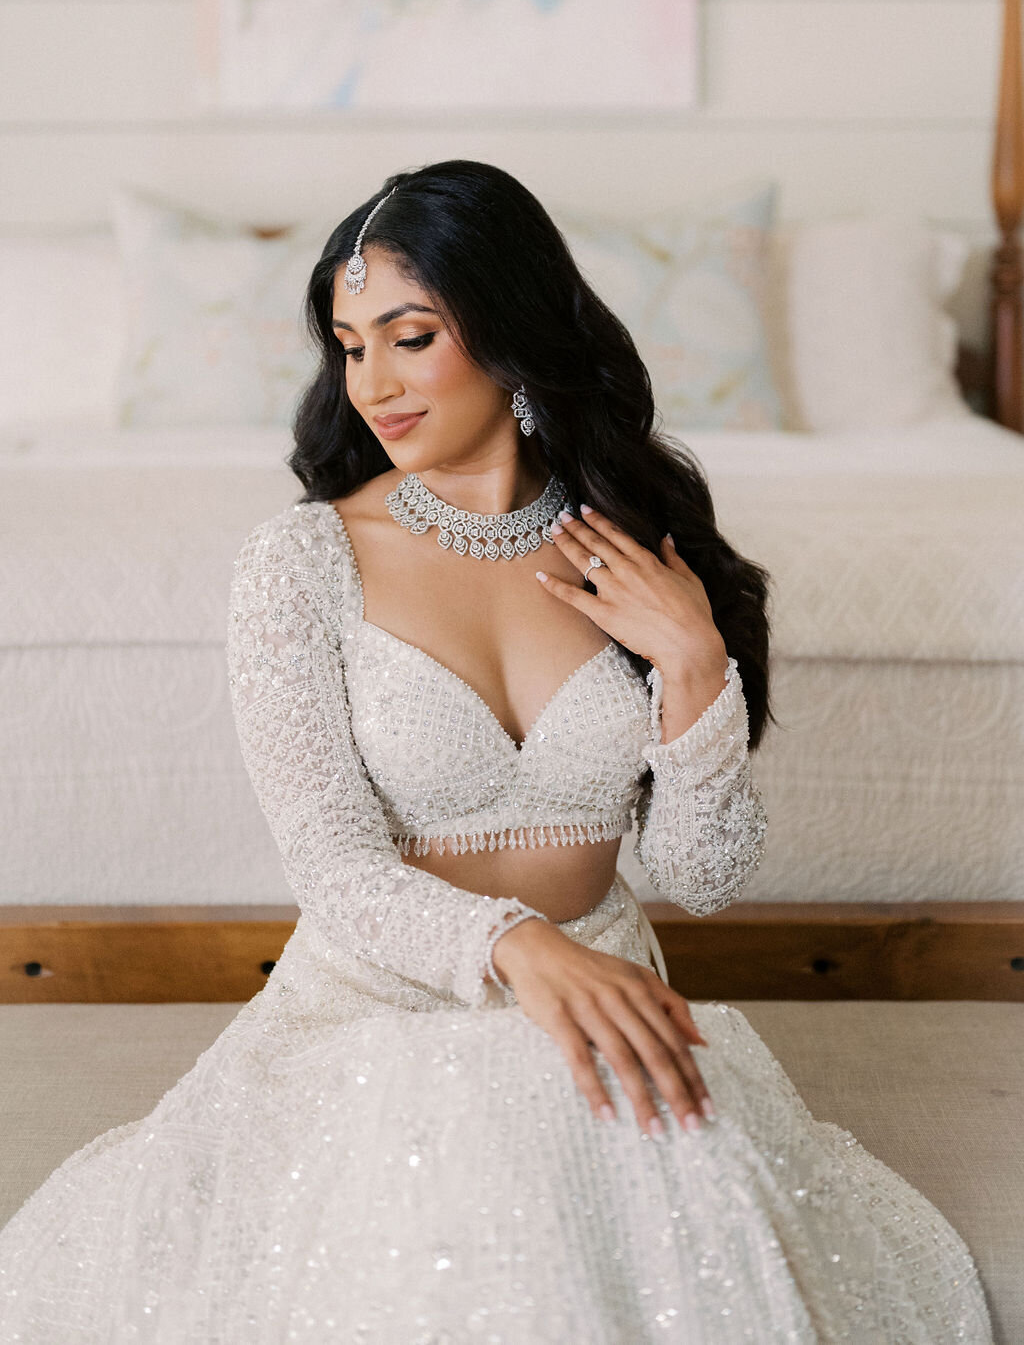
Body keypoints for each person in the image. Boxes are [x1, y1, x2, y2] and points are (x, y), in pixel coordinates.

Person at [0, 160, 993, 1343]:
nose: (372, 383)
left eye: (410, 337)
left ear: (511, 336)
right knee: (466, 1151)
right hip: (379, 1012)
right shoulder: (301, 563)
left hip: (609, 983)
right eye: (349, 345)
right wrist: (519, 950)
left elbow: (702, 877)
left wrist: (691, 666)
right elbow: (333, 868)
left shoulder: (631, 551)